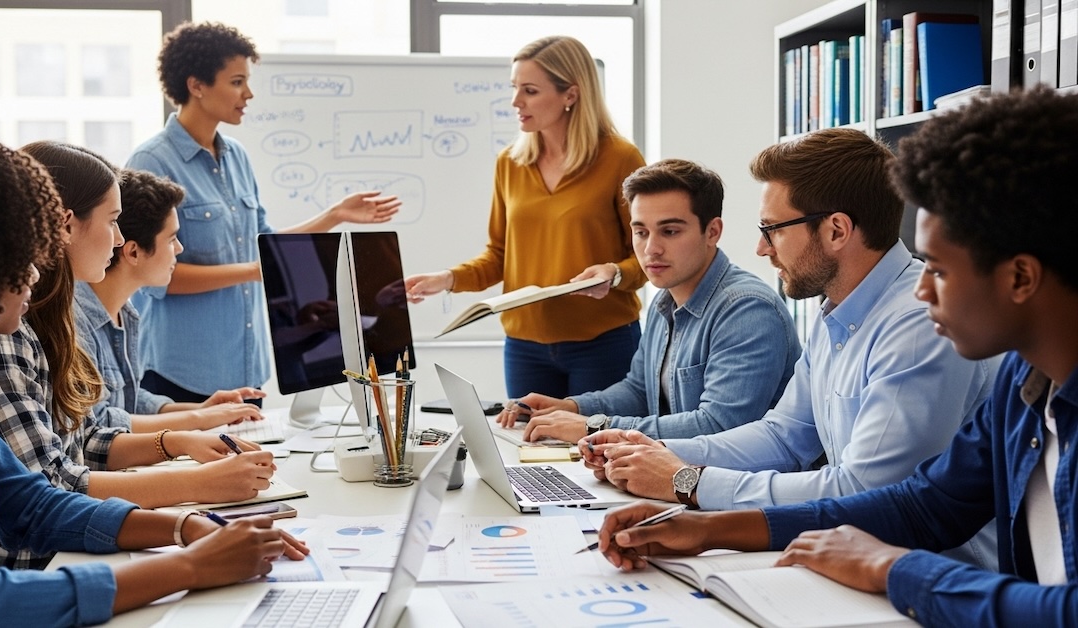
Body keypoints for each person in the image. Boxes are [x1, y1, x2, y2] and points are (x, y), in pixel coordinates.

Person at [599, 87, 1078, 627]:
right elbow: (924, 505)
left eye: (940, 270)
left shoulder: (918, 326)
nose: (924, 290)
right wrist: (708, 527)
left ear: (1020, 277)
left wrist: (893, 570)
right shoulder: (1026, 380)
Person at [0, 130, 307, 627]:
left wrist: (185, 527)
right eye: (22, 256)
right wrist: (189, 567)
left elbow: (30, 502)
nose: (37, 274)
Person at [583, 128, 998, 568]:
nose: (761, 248)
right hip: (856, 558)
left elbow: (861, 492)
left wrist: (688, 481)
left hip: (934, 576)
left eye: (773, 230)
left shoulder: (916, 323)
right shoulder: (836, 311)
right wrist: (656, 453)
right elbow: (783, 434)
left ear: (837, 230)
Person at [0, 141, 276, 570]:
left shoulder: (53, 320)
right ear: (66, 225)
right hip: (39, 565)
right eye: (112, 222)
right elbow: (50, 487)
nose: (122, 238)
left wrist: (178, 442)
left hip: (69, 551)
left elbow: (82, 438)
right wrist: (196, 486)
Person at [126, 21, 401, 404]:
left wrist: (335, 214)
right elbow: (155, 278)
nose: (248, 93)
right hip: (180, 374)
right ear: (197, 85)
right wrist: (257, 270)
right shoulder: (151, 160)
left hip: (246, 369)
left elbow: (266, 243)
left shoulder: (237, 157)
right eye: (237, 81)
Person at [403, 35, 647, 399]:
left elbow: (648, 257)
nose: (515, 101)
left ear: (571, 94)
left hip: (603, 345)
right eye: (515, 88)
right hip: (523, 348)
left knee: (599, 451)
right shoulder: (510, 163)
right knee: (531, 451)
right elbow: (499, 256)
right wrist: (448, 279)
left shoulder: (620, 158)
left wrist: (614, 274)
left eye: (530, 90)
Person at [495, 159, 800, 443]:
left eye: (669, 231)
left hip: (735, 492)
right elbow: (640, 391)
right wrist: (572, 406)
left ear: (712, 232)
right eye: (640, 232)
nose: (651, 249)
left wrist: (595, 427)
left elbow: (718, 427)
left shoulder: (747, 309)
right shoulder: (664, 300)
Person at [75, 167, 271, 433]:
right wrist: (197, 421)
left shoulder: (126, 311)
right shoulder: (76, 324)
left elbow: (128, 401)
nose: (179, 249)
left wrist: (202, 410)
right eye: (171, 239)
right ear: (133, 252)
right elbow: (99, 424)